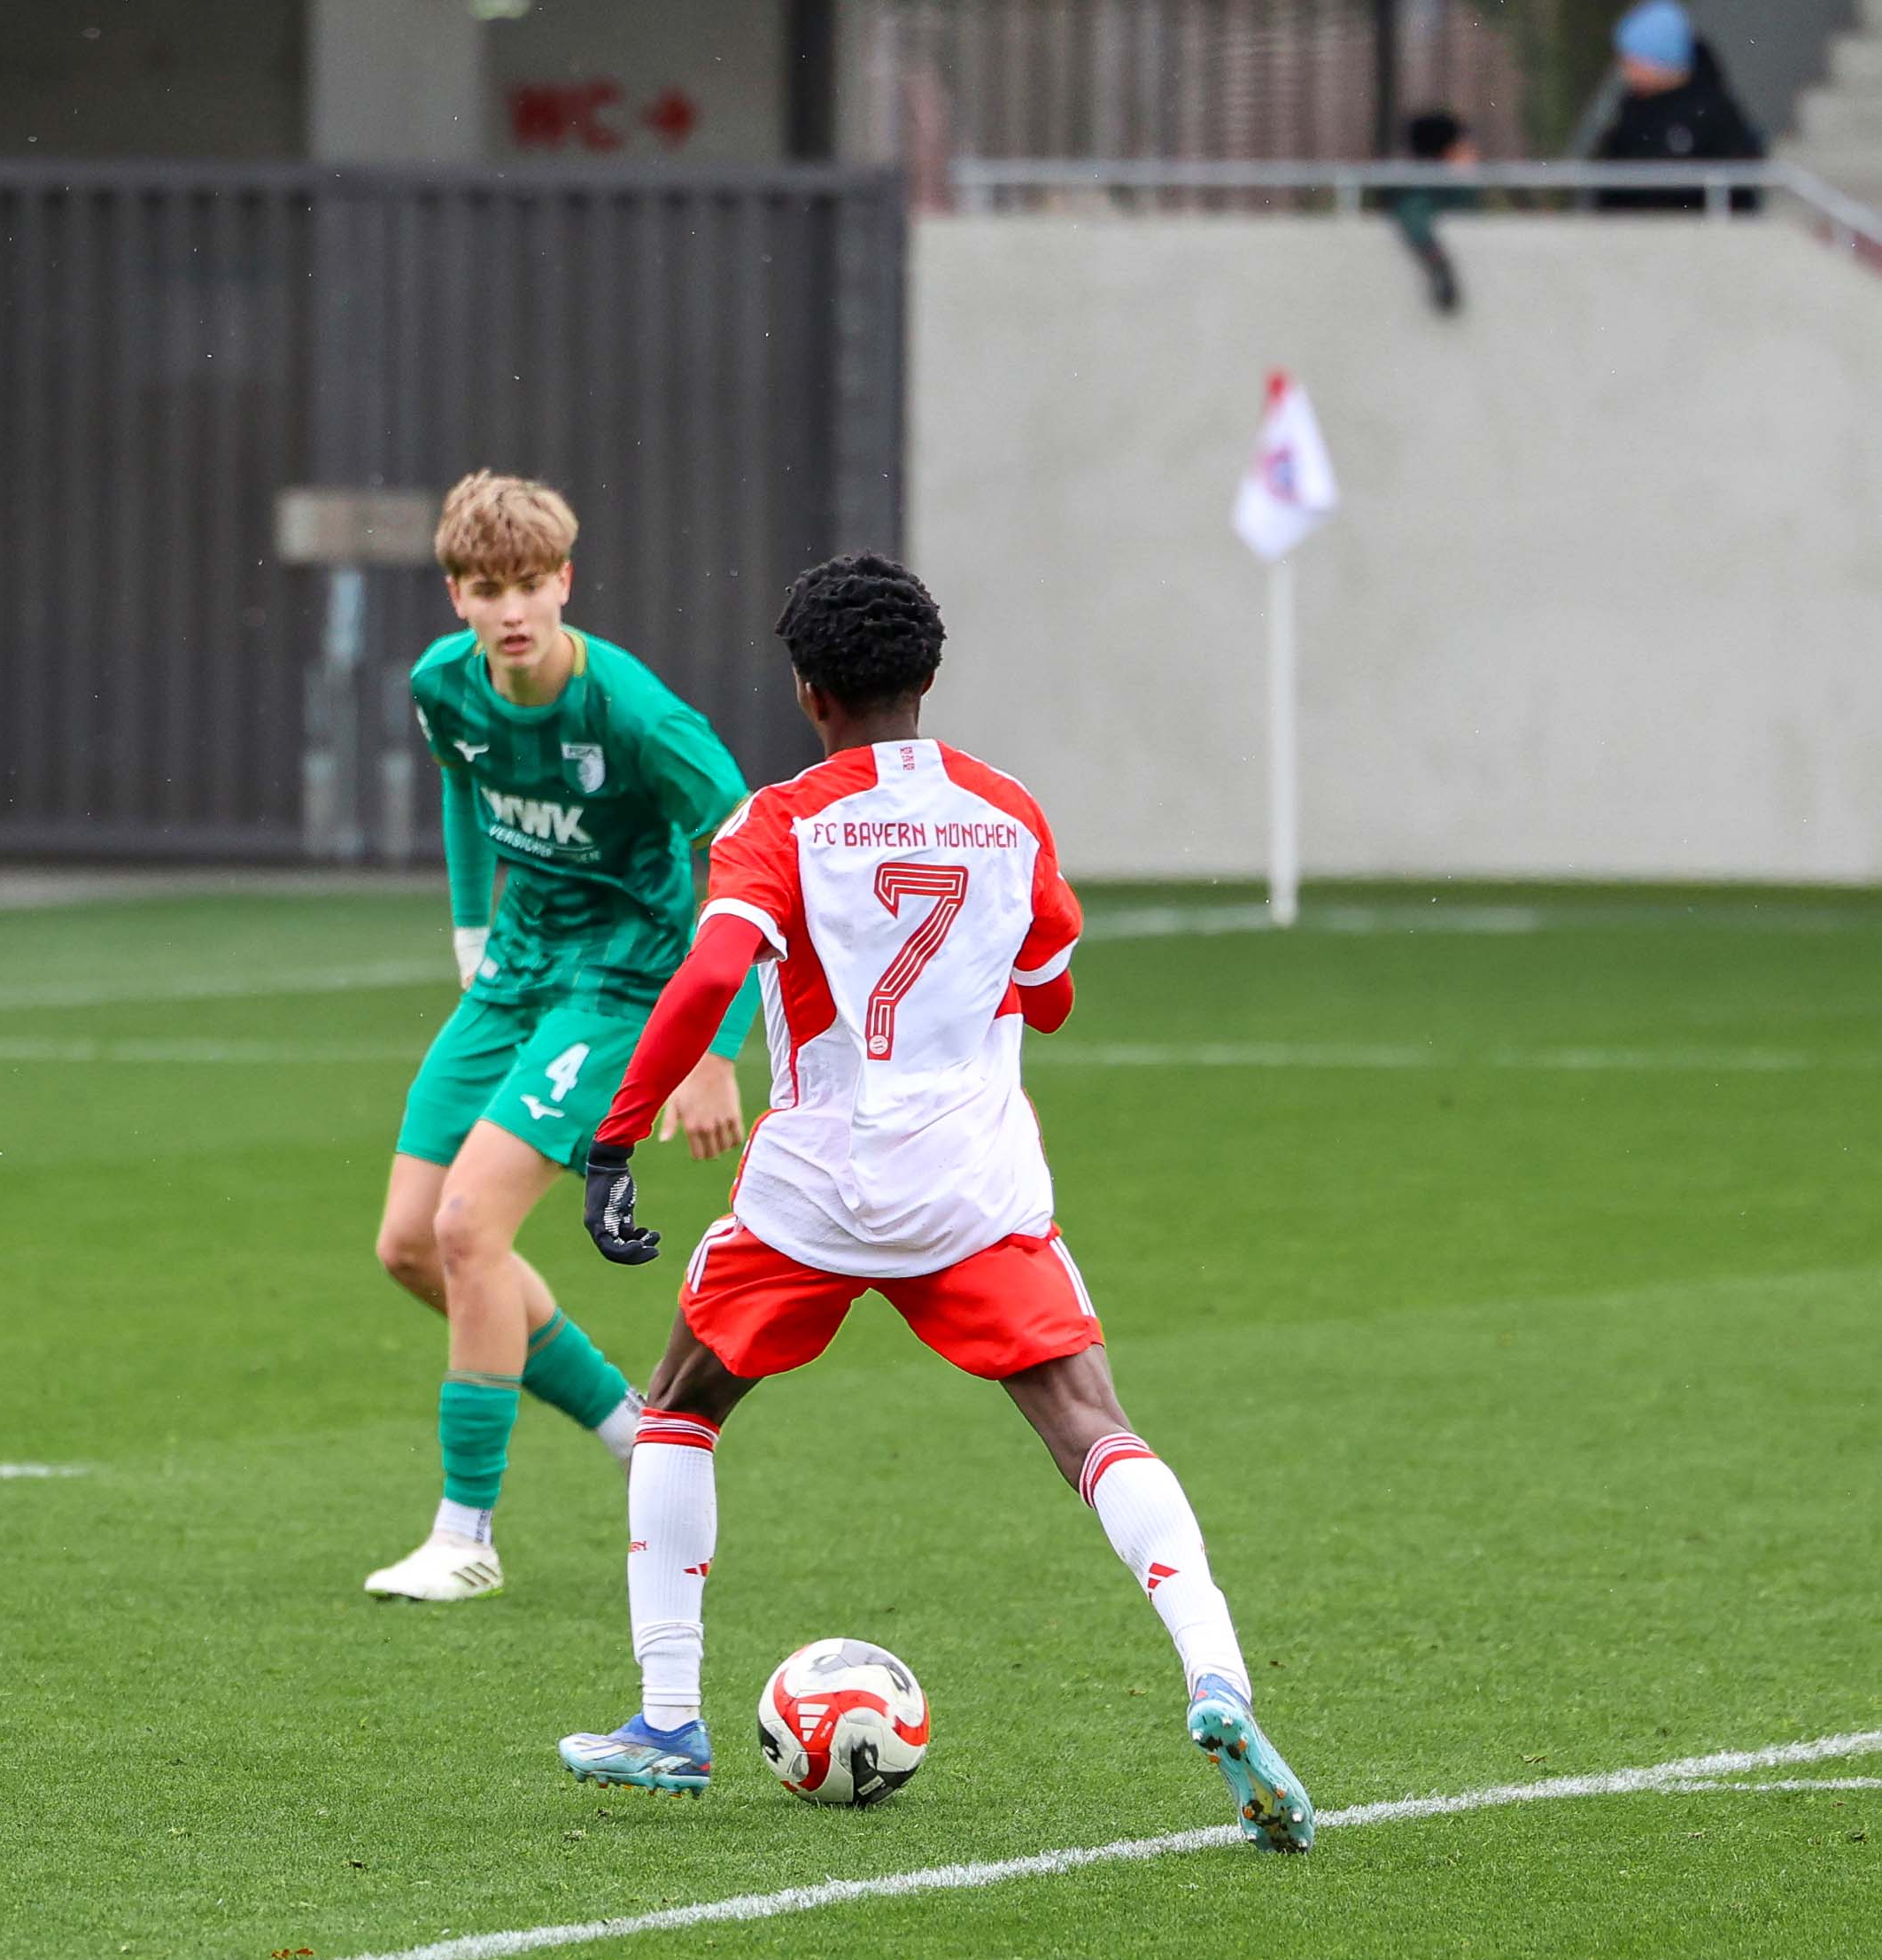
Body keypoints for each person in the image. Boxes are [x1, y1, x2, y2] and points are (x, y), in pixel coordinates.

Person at [548, 553, 1314, 1853]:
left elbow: (708, 975)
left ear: (804, 691)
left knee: (678, 1406)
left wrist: (614, 1138)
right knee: (1088, 1425)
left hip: (813, 1187)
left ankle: (666, 1724)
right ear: (927, 678)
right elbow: (1051, 986)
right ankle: (1215, 1676)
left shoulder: (778, 821)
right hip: (972, 1182)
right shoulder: (1006, 811)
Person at [360, 470, 760, 1605]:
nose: (514, 609)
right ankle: (635, 1429)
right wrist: (471, 936)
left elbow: (743, 853)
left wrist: (713, 1044)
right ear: (457, 596)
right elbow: (463, 785)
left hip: (620, 987)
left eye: (533, 583)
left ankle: (465, 1535)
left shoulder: (633, 714)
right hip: (515, 979)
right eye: (490, 588)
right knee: (409, 1247)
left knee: (467, 1226)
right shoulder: (445, 687)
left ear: (566, 580)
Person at [1592, 2, 1762, 213]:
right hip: (1634, 235)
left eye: (1634, 62)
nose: (1626, 72)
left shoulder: (1713, 113)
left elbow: (1738, 181)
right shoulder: (1630, 110)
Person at [1390, 110, 1482, 314]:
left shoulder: (1472, 191)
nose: (1472, 155)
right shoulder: (1416, 198)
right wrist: (1438, 263)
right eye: (1461, 149)